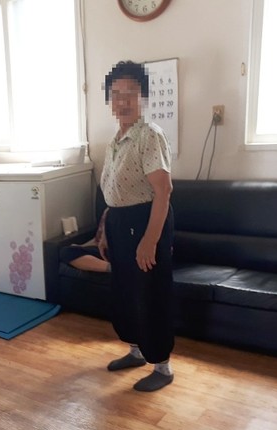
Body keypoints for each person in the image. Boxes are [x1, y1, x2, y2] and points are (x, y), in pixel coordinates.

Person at [98, 61, 175, 392]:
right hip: (119, 223)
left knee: (150, 294)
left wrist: (150, 240)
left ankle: (162, 366)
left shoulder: (149, 135)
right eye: (116, 94)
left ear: (143, 97)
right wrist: (106, 228)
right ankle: (136, 351)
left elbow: (164, 191)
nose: (123, 100)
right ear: (110, 100)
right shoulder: (116, 139)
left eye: (130, 92)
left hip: (145, 221)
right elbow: (113, 191)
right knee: (125, 292)